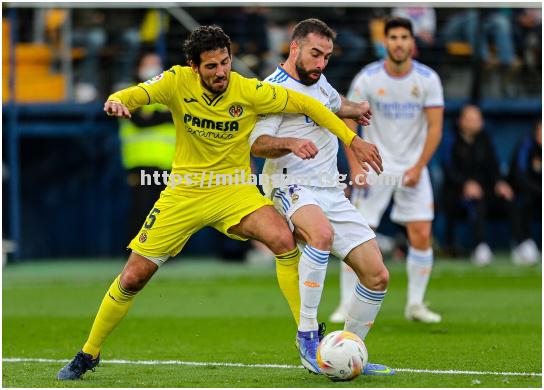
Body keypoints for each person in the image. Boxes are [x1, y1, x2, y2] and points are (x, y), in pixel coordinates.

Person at [56, 25, 382, 380]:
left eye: (225, 63)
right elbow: (137, 92)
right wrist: (119, 99)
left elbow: (308, 103)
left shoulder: (248, 89)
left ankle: (307, 337)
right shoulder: (176, 82)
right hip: (184, 193)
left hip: (234, 191)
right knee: (133, 277)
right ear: (195, 67)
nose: (221, 72)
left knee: (283, 240)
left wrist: (352, 139)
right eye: (211, 66)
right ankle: (89, 352)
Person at [250, 18, 393, 376]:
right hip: (289, 185)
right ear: (294, 48)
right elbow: (257, 143)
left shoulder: (319, 80)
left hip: (330, 190)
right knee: (321, 235)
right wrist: (291, 143)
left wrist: (353, 108)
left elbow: (329, 102)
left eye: (327, 57)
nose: (321, 64)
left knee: (377, 275)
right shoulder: (273, 89)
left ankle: (347, 352)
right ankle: (308, 336)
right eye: (315, 55)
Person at [330, 17, 444, 324]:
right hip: (375, 168)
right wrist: (355, 165)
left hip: (412, 169)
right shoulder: (367, 78)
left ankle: (416, 305)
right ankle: (345, 303)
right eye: (392, 37)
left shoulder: (428, 79)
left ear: (412, 42)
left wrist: (420, 167)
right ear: (385, 42)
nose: (398, 43)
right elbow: (348, 119)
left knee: (421, 234)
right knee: (356, 236)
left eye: (403, 37)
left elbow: (435, 128)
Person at [441, 105, 515, 265]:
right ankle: (480, 247)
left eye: (477, 119)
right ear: (461, 121)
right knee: (477, 203)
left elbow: (493, 166)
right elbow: (448, 169)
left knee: (510, 200)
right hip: (456, 194)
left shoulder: (485, 139)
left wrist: (500, 183)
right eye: (470, 119)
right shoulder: (450, 140)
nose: (474, 123)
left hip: (485, 190)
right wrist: (465, 184)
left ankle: (522, 244)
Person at [119, 53, 176, 240]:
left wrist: (156, 117)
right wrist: (166, 116)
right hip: (140, 161)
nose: (154, 68)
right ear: (138, 68)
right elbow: (139, 121)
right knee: (141, 209)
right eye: (149, 64)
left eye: (157, 64)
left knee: (166, 211)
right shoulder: (129, 93)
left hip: (167, 163)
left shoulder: (169, 95)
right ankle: (135, 251)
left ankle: (163, 251)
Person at [508, 120, 541, 265]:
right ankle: (522, 244)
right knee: (522, 202)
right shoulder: (526, 146)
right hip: (526, 193)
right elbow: (519, 176)